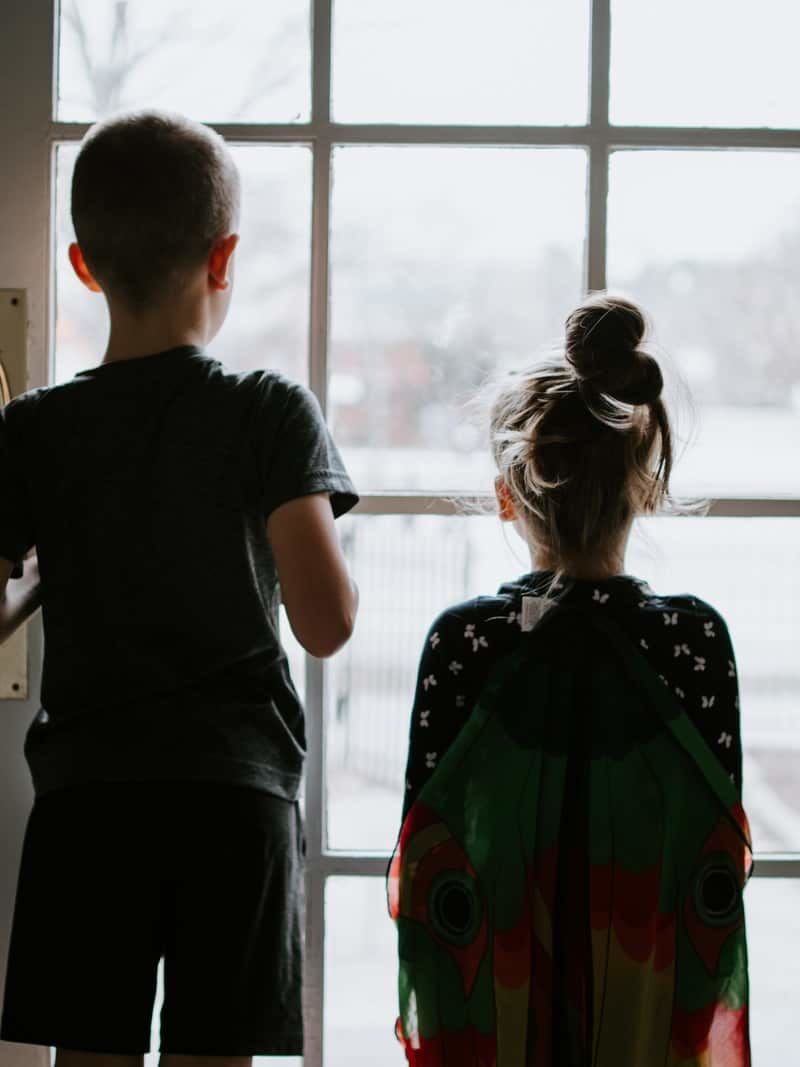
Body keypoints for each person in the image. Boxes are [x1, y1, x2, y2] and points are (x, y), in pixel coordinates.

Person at [0, 110, 359, 1067]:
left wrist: (42, 575)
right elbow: (325, 624)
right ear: (225, 256)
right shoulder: (269, 411)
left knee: (91, 1056)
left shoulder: (35, 430)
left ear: (84, 266)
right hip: (231, 797)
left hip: (90, 797)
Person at [389, 295, 752, 1065]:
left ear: (506, 496)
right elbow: (713, 869)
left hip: (501, 1014)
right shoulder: (693, 641)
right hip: (646, 1018)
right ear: (645, 488)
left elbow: (426, 862)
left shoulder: (467, 641)